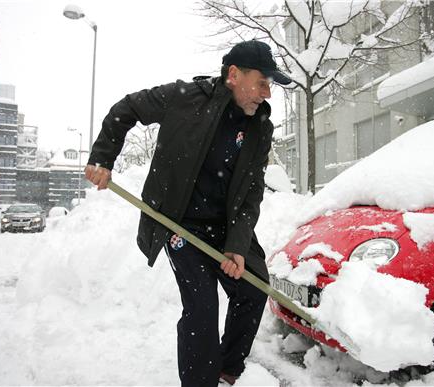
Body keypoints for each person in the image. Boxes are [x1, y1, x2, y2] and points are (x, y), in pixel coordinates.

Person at [84, 40, 291, 386]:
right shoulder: (186, 98)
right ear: (234, 75)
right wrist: (103, 158)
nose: (267, 93)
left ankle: (227, 368)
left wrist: (237, 246)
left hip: (225, 226)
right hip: (180, 223)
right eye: (262, 82)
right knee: (202, 309)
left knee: (254, 290)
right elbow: (127, 109)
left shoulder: (260, 128)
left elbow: (252, 192)